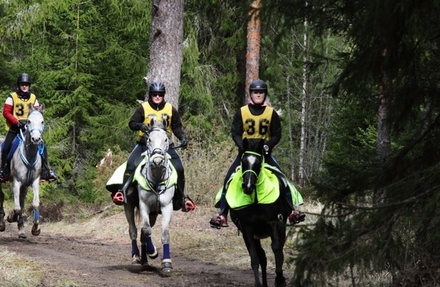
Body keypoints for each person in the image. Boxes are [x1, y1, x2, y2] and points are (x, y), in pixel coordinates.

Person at [209, 79, 305, 228]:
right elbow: (235, 132)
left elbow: (276, 134)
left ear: (265, 94)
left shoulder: (271, 113)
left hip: (264, 154)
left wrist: (267, 146)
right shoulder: (242, 112)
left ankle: (291, 211)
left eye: (261, 92)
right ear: (251, 94)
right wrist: (242, 147)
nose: (258, 94)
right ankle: (222, 214)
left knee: (282, 179)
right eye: (255, 92)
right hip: (245, 154)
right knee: (228, 179)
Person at [111, 81, 196, 212]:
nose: (157, 97)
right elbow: (132, 123)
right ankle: (122, 192)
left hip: (165, 146)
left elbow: (177, 127)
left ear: (163, 95)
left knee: (179, 168)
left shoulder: (170, 109)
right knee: (131, 164)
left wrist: (182, 137)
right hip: (144, 144)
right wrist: (140, 125)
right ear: (150, 95)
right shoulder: (143, 108)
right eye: (155, 94)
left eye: (160, 94)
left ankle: (181, 198)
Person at [0, 73, 57, 183]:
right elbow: (6, 112)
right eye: (22, 84)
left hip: (29, 129)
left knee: (42, 147)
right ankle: (3, 171)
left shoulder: (33, 98)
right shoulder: (12, 97)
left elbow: (37, 112)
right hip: (14, 128)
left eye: (26, 85)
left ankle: (45, 171)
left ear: (29, 86)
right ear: (19, 85)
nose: (24, 86)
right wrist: (16, 121)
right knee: (6, 147)